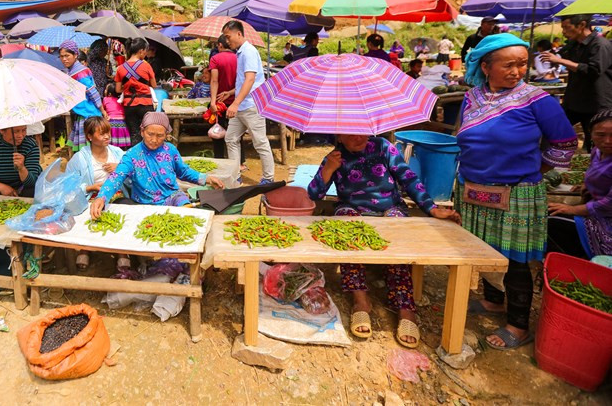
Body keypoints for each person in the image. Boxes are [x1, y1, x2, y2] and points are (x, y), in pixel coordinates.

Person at [457, 33, 576, 350]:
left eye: (522, 64)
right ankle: (494, 301)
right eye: (508, 65)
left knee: (516, 259)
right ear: (486, 66)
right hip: (472, 190)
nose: (516, 71)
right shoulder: (471, 99)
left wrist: (536, 171)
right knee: (483, 249)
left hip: (518, 192)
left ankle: (519, 324)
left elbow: (565, 144)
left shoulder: (538, 100)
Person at [307, 134, 460, 347]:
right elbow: (313, 193)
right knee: (346, 225)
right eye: (349, 133)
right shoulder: (335, 157)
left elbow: (409, 178)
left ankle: (405, 309)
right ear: (338, 134)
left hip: (389, 209)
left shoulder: (383, 147)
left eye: (362, 130)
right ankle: (361, 301)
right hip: (353, 211)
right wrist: (328, 169)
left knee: (396, 233)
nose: (358, 137)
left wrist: (431, 208)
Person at [89, 112, 224, 218]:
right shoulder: (132, 155)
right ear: (142, 131)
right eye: (150, 134)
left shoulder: (170, 150)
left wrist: (207, 178)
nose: (154, 140)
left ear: (167, 134)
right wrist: (101, 197)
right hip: (145, 204)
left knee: (187, 213)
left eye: (160, 135)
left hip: (173, 197)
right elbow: (116, 177)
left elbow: (183, 171)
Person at [541, 15, 612, 151]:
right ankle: (545, 164)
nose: (563, 32)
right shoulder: (573, 46)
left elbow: (593, 70)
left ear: (581, 25)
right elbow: (562, 56)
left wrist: (561, 61)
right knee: (551, 127)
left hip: (596, 103)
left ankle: (595, 170)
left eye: (567, 28)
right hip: (574, 102)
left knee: (594, 143)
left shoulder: (600, 45)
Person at [65, 117, 127, 270]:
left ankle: (121, 252)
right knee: (91, 212)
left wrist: (119, 168)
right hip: (91, 196)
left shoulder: (117, 153)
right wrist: (90, 187)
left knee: (121, 211)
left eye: (108, 133)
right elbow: (67, 185)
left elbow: (132, 173)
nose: (107, 137)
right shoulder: (79, 159)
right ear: (89, 137)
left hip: (117, 195)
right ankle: (85, 248)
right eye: (102, 134)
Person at [548, 110, 612, 258]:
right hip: (596, 210)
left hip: (607, 221)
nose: (607, 141)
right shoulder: (598, 151)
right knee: (549, 213)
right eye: (601, 135)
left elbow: (609, 203)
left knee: (552, 223)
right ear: (590, 133)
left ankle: (581, 264)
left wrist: (573, 209)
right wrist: (588, 184)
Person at [223, 20, 275, 183]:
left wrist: (235, 103)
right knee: (230, 138)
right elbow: (245, 80)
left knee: (260, 142)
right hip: (241, 105)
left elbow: (250, 79)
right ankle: (236, 175)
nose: (226, 40)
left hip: (251, 105)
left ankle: (269, 178)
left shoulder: (248, 52)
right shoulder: (241, 52)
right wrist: (230, 93)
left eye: (228, 36)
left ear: (238, 34)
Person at [59, 40, 105, 151]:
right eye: (61, 56)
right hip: (84, 113)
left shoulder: (79, 72)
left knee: (89, 149)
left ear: (75, 55)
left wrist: (102, 109)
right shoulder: (72, 71)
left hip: (88, 114)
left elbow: (92, 92)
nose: (64, 59)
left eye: (67, 55)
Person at [115, 37, 157, 145]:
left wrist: (129, 85)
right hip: (145, 104)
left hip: (129, 105)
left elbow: (118, 89)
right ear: (141, 50)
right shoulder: (146, 65)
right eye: (145, 51)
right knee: (149, 132)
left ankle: (136, 158)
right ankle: (148, 158)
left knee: (134, 134)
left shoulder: (120, 68)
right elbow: (154, 85)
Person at [209, 35, 239, 160]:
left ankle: (219, 158)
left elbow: (214, 81)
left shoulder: (215, 59)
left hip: (220, 102)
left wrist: (212, 102)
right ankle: (240, 161)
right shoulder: (238, 58)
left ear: (220, 45)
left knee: (218, 130)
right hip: (236, 101)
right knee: (237, 133)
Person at [102, 83, 131, 149]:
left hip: (111, 121)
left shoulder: (105, 99)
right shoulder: (121, 100)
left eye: (106, 89)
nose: (105, 90)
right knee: (121, 144)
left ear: (109, 94)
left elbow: (103, 110)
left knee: (111, 145)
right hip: (122, 122)